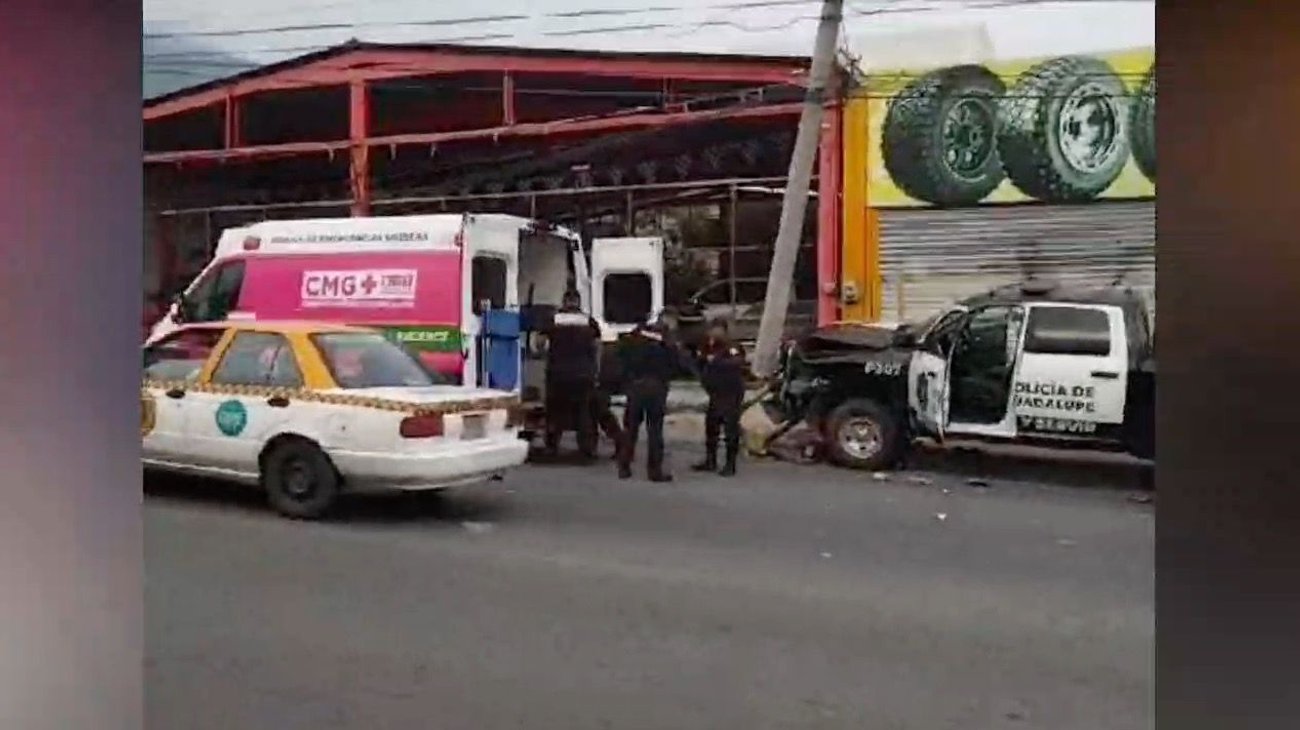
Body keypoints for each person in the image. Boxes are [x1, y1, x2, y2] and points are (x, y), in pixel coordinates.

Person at [615, 316, 681, 482]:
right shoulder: (666, 341)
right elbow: (676, 364)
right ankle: (654, 471)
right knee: (655, 431)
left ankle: (624, 466)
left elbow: (621, 353)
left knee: (630, 429)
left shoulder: (637, 335)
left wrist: (628, 376)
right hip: (656, 387)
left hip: (636, 385)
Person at [542, 290, 602, 460]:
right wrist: (595, 370)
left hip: (558, 374)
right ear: (578, 302)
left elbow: (539, 344)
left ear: (564, 301)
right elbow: (597, 347)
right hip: (583, 374)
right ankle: (587, 448)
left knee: (555, 411)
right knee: (584, 412)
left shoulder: (554, 319)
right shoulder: (588, 321)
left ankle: (552, 447)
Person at [690, 321, 748, 477]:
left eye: (716, 331)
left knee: (730, 427)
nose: (712, 334)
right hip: (715, 392)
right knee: (711, 426)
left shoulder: (732, 346)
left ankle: (730, 464)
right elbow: (697, 362)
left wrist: (715, 361)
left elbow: (738, 362)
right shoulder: (708, 346)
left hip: (731, 392)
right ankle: (710, 460)